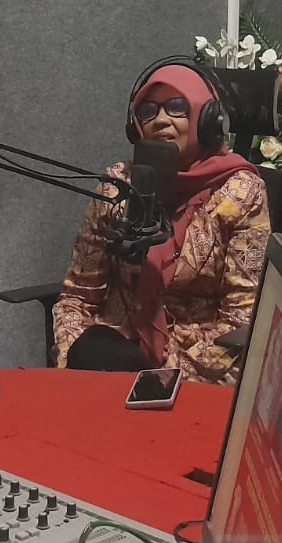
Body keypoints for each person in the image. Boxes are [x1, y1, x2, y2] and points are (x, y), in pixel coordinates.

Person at [53, 61, 269, 383]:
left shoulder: (241, 193)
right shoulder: (118, 186)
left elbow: (242, 320)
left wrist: (158, 378)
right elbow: (78, 296)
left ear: (206, 119)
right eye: (148, 111)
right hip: (110, 360)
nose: (161, 119)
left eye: (177, 106)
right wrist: (73, 359)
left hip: (196, 372)